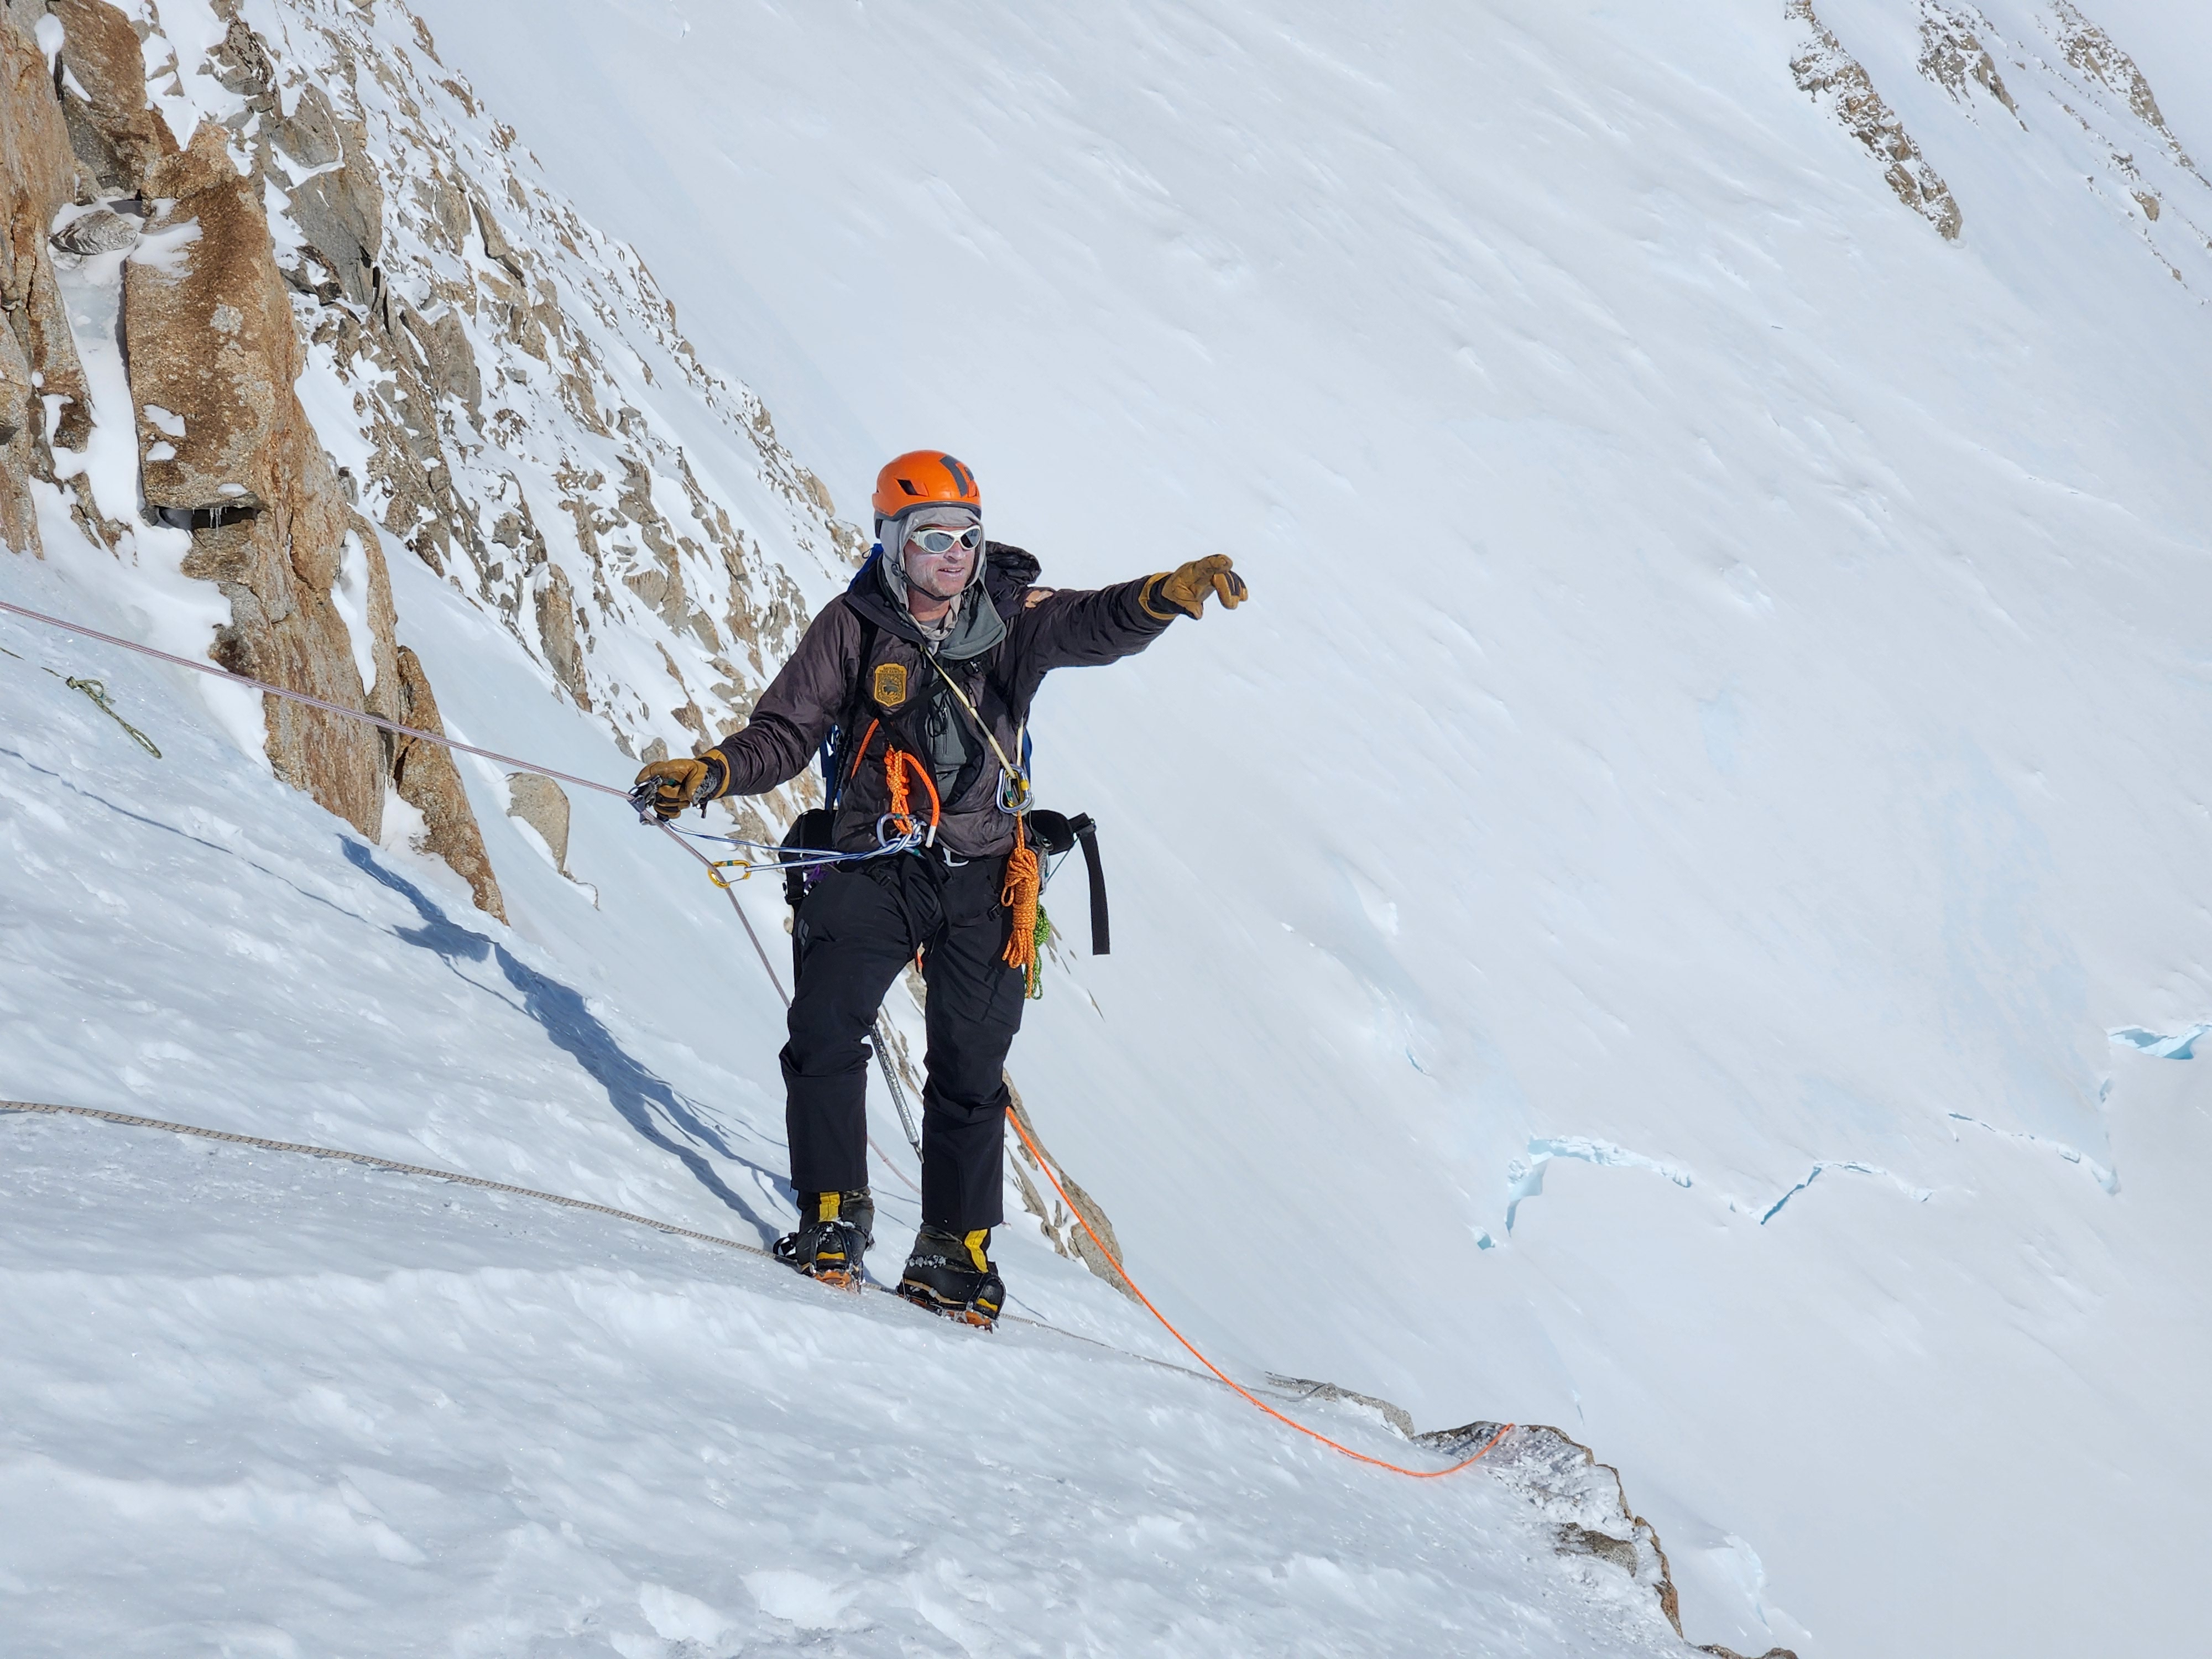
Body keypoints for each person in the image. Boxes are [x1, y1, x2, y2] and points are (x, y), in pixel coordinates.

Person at [634, 450, 1246, 1324]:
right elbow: (786, 731)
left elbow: (1091, 624)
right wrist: (713, 773)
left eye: (967, 535)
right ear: (894, 541)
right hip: (875, 860)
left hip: (986, 868)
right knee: (825, 1026)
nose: (954, 553)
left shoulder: (1013, 620)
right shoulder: (851, 627)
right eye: (932, 536)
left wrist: (1160, 598)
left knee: (971, 1061)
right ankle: (834, 1211)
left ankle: (955, 1248)